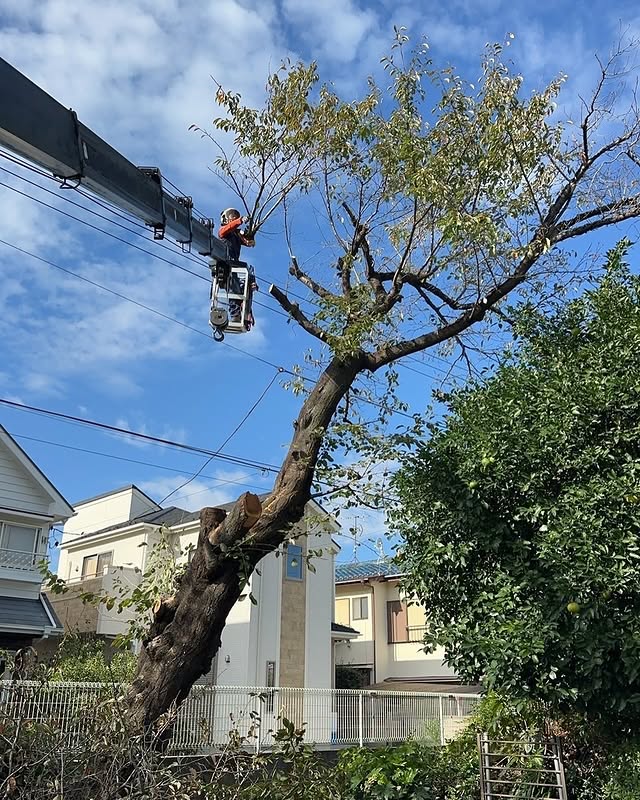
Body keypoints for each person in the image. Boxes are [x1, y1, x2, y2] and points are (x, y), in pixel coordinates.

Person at [218, 208, 257, 326]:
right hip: (226, 262)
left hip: (233, 264)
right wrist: (240, 221)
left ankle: (243, 313)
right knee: (247, 271)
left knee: (238, 290)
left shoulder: (236, 235)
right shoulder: (224, 231)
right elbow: (228, 228)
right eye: (232, 216)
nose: (234, 217)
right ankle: (236, 314)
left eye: (235, 216)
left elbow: (248, 242)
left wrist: (251, 234)